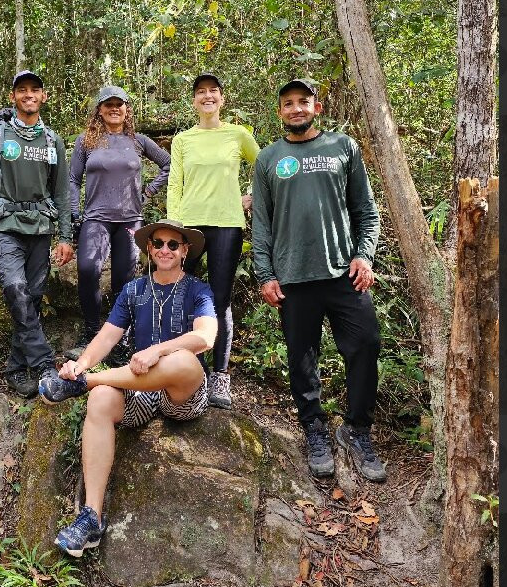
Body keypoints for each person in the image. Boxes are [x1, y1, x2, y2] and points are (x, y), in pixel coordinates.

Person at [38, 219, 217, 557]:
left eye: (173, 245)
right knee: (101, 399)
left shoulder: (198, 290)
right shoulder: (134, 290)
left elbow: (205, 337)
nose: (165, 249)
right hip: (141, 394)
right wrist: (81, 364)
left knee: (184, 360)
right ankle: (91, 517)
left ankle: (84, 384)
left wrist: (157, 350)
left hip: (181, 395)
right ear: (149, 248)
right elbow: (107, 336)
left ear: (184, 251)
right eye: (159, 243)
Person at [250, 77, 386, 482]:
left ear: (317, 107)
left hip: (343, 273)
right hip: (293, 277)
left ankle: (357, 430)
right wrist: (266, 274)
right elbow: (262, 223)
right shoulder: (269, 159)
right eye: (288, 103)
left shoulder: (342, 147)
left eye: (303, 102)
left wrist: (365, 254)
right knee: (302, 358)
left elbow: (366, 209)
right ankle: (314, 429)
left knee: (366, 343)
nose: (296, 108)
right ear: (279, 112)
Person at [0, 70, 74, 399]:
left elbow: (62, 194)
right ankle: (43, 364)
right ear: (13, 97)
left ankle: (14, 368)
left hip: (40, 226)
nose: (28, 95)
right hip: (5, 225)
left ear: (44, 96)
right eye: (21, 90)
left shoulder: (52, 140)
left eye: (34, 90)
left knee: (33, 297)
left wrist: (64, 237)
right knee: (14, 286)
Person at [166, 73, 259, 409]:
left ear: (222, 99)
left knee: (220, 300)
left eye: (213, 92)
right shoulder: (183, 140)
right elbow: (175, 182)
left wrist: (250, 196)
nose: (207, 97)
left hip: (226, 224)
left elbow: (264, 167)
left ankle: (219, 376)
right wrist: (173, 222)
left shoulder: (237, 134)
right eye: (201, 92)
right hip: (188, 226)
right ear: (194, 101)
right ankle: (191, 369)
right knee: (183, 293)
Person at [66, 85, 171, 359]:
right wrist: (73, 213)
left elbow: (169, 165)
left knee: (123, 282)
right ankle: (91, 333)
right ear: (99, 110)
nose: (114, 108)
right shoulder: (86, 141)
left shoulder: (138, 140)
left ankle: (120, 340)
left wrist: (148, 192)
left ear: (127, 109)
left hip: (130, 220)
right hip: (95, 218)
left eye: (119, 104)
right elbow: (73, 179)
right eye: (108, 104)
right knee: (88, 269)